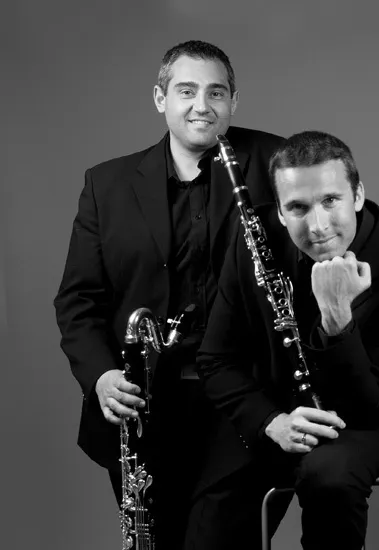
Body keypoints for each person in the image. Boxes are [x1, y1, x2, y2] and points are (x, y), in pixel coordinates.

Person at [53, 40, 284, 548]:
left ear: (234, 101)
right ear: (160, 98)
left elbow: (338, 229)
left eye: (216, 93)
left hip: (243, 401)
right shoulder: (107, 185)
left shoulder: (275, 161)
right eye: (186, 91)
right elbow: (77, 301)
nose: (203, 105)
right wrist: (101, 376)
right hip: (146, 406)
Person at [185, 130, 379, 550]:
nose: (318, 226)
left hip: (362, 421)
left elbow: (372, 406)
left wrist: (336, 316)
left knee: (330, 476)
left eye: (330, 201)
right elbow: (216, 360)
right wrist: (271, 422)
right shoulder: (253, 235)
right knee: (207, 526)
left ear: (358, 195)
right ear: (280, 211)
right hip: (272, 409)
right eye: (298, 208)